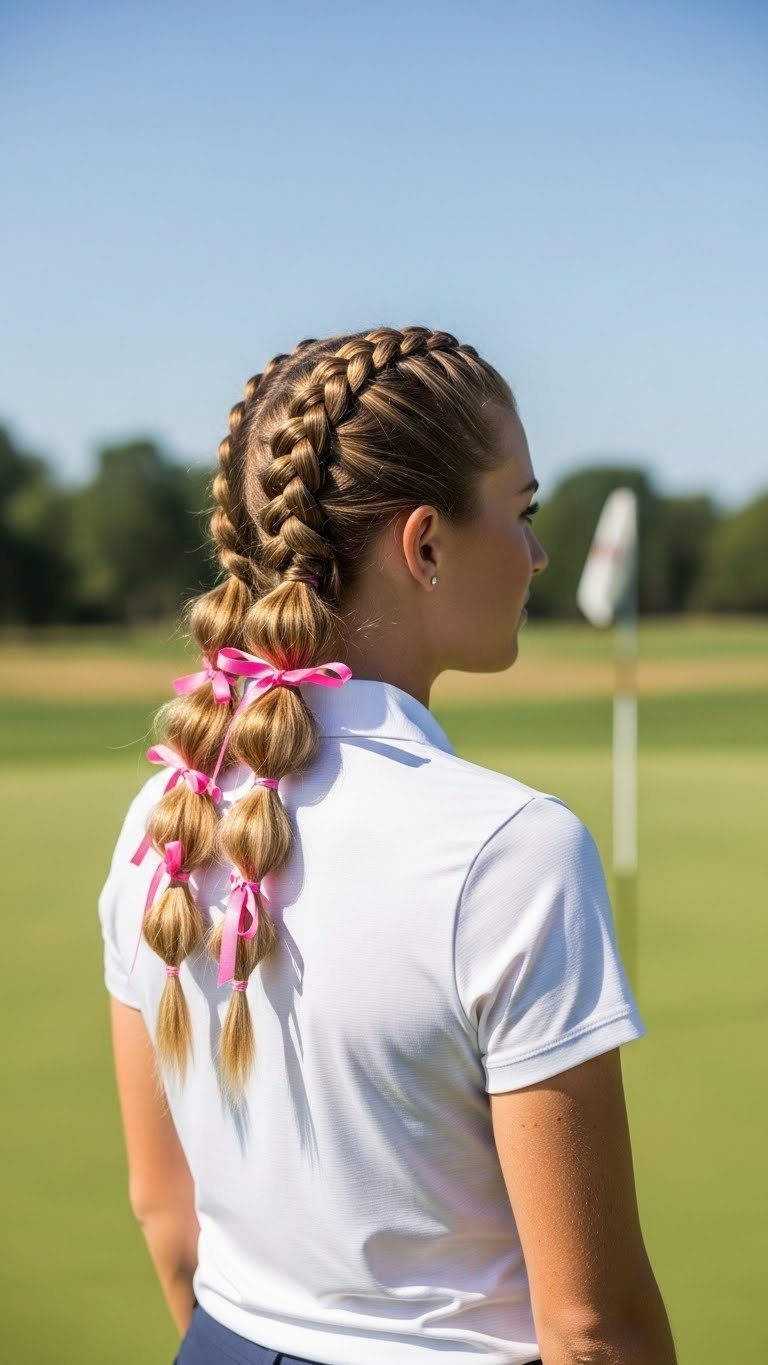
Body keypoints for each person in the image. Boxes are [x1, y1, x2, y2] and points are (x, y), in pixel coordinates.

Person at [98, 326, 677, 1365]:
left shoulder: (164, 819)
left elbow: (167, 1217)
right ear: (426, 545)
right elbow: (594, 1329)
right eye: (525, 511)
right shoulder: (512, 853)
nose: (539, 552)